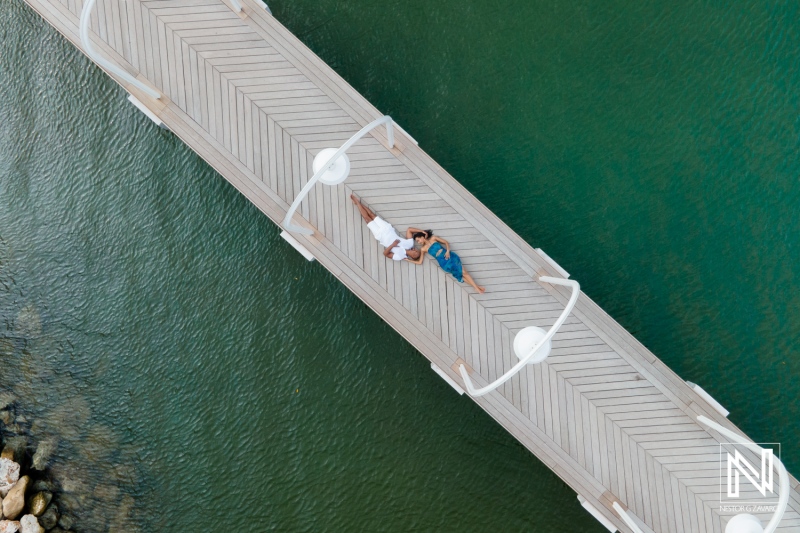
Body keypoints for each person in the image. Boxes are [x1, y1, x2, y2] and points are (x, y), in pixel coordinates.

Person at [408, 230, 485, 293]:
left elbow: (446, 242)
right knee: (460, 275)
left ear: (422, 236)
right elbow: (419, 262)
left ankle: (476, 288)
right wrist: (408, 260)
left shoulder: (433, 238)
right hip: (444, 263)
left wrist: (448, 251)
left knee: (464, 272)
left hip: (450, 257)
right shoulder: (423, 249)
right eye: (417, 242)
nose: (419, 242)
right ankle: (476, 287)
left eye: (418, 240)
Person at [351, 194, 421, 262]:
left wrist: (393, 245)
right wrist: (422, 231)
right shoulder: (410, 244)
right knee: (372, 215)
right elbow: (409, 230)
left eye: (415, 252)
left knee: (367, 220)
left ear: (412, 257)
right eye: (416, 250)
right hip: (388, 229)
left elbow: (385, 254)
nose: (415, 250)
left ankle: (357, 202)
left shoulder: (400, 256)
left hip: (381, 236)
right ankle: (358, 203)